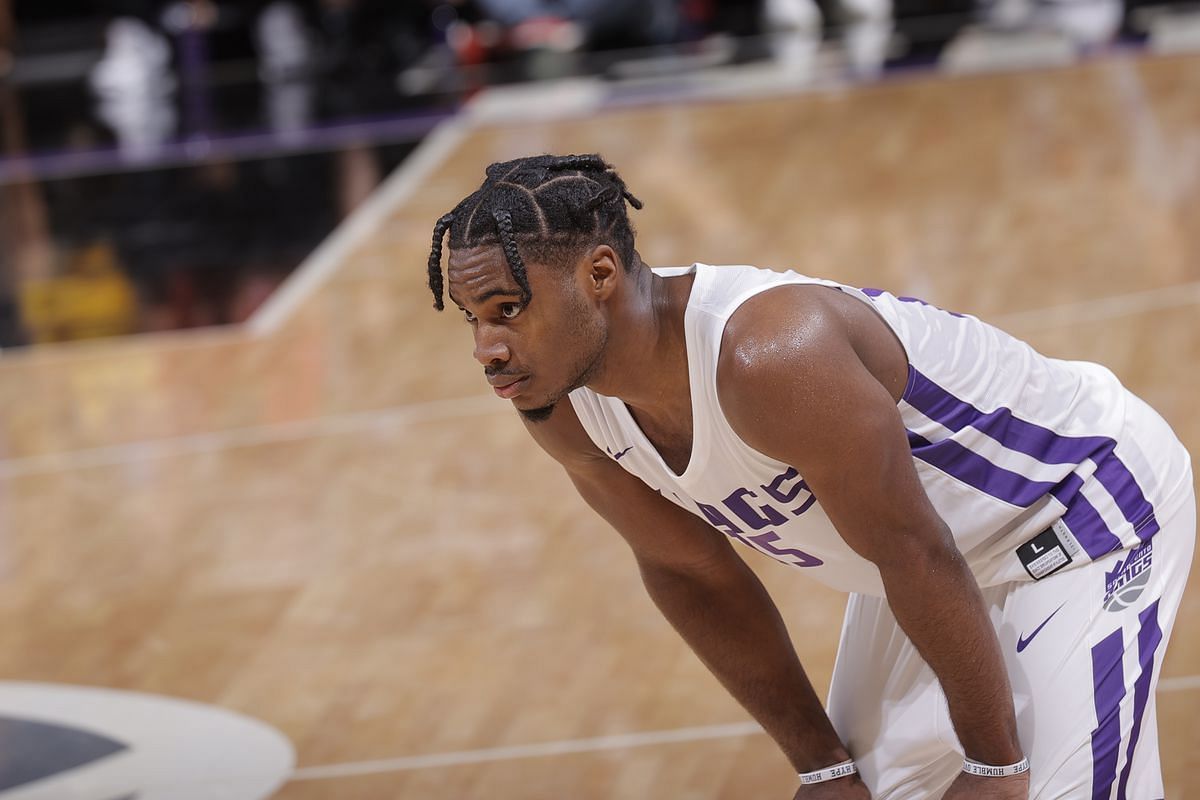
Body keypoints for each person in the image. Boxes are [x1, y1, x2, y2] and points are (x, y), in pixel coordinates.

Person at [425, 153, 1194, 799]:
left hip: (1079, 510)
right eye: (473, 318)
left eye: (508, 308)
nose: (487, 346)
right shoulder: (562, 408)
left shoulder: (769, 355)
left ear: (599, 274)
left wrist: (995, 761)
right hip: (926, 565)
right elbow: (689, 571)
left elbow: (912, 550)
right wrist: (823, 766)